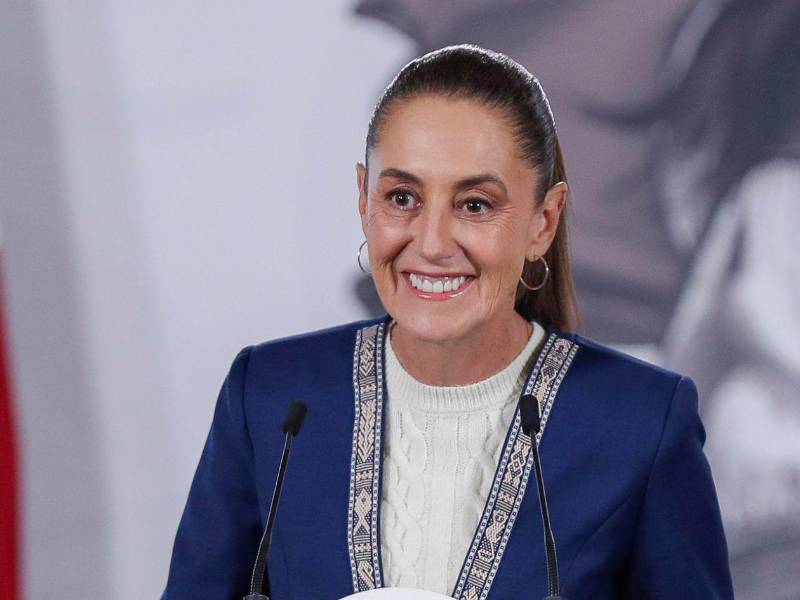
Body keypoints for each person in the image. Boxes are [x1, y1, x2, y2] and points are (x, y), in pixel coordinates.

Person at [161, 44, 733, 599]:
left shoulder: (642, 422)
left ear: (544, 221)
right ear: (364, 198)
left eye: (475, 204)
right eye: (403, 197)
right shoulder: (273, 398)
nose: (431, 244)